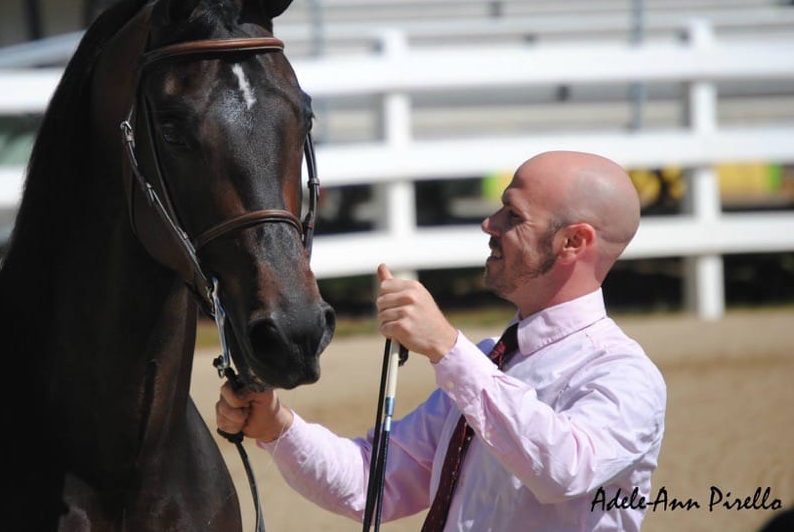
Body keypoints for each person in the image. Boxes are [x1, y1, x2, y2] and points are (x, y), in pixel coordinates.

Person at [217, 150, 667, 531]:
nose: (490, 224)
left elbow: (564, 470)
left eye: (514, 216)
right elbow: (372, 482)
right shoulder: (491, 360)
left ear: (573, 242)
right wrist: (278, 427)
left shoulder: (625, 374)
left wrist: (448, 348)